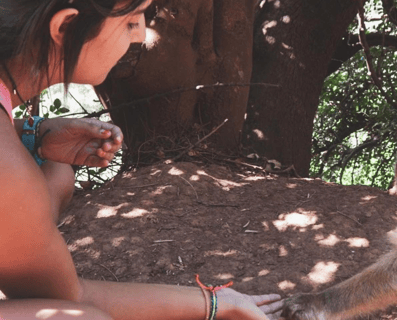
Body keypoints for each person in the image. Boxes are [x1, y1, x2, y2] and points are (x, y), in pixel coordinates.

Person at [0, 0, 283, 319]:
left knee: (57, 174)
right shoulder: (7, 173)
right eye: (130, 22)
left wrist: (33, 132)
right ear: (64, 27)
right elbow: (71, 296)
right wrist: (218, 303)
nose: (141, 35)